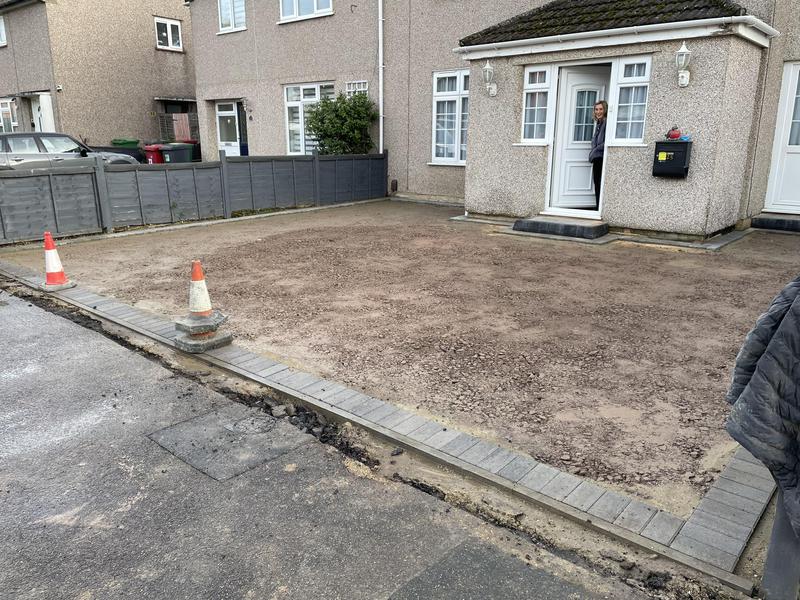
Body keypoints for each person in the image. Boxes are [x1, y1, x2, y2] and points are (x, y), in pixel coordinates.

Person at [588, 100, 608, 210]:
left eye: (600, 109)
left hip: (601, 157)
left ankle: (599, 208)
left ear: (605, 110)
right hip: (596, 157)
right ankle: (597, 207)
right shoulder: (599, 123)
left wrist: (595, 150)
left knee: (599, 183)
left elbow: (606, 142)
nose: (598, 112)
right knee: (596, 182)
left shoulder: (606, 122)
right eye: (596, 109)